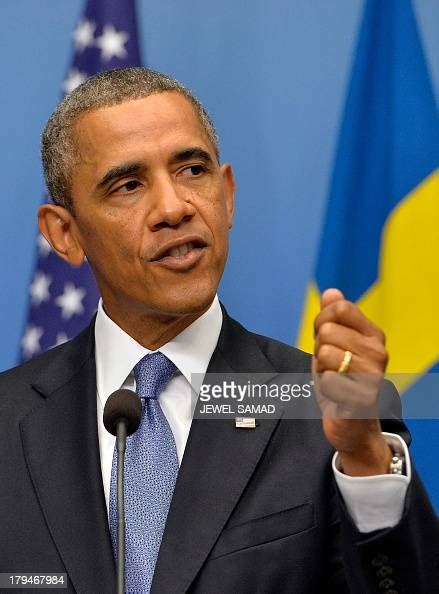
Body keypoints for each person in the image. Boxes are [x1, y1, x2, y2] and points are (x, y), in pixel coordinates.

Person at [0, 67, 437, 594]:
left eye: (192, 171)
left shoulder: (321, 408)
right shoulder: (9, 422)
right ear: (65, 234)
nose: (173, 208)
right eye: (129, 185)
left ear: (226, 195)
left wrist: (365, 457)